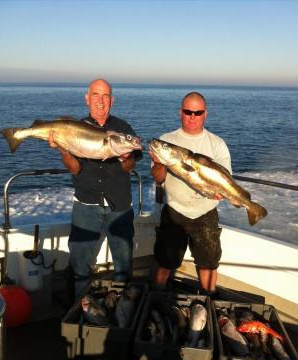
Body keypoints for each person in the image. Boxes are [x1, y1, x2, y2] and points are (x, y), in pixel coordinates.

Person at [49, 79, 141, 301]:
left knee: (123, 264)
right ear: (87, 98)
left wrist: (125, 157)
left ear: (112, 100)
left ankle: (121, 309)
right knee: (80, 265)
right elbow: (75, 168)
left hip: (119, 205)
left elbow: (130, 167)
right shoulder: (74, 128)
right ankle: (82, 310)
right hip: (86, 204)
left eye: (106, 96)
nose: (101, 101)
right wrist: (64, 151)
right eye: (97, 95)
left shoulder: (123, 129)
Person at [150, 92, 232, 295]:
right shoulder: (167, 141)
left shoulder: (217, 144)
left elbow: (225, 178)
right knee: (165, 260)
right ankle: (158, 295)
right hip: (174, 210)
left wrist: (220, 192)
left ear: (206, 114)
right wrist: (159, 162)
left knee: (208, 262)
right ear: (180, 112)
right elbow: (159, 179)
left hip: (205, 211)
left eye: (198, 112)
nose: (192, 116)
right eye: (188, 112)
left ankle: (209, 298)